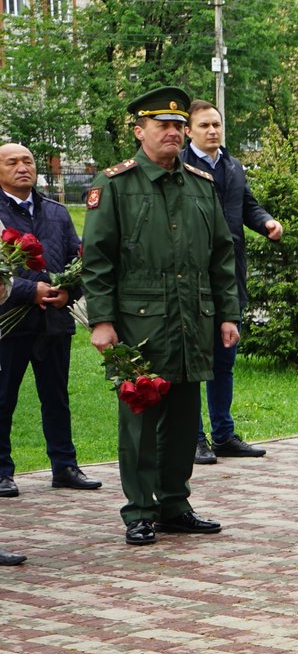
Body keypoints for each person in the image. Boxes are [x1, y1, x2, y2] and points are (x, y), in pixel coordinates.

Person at [84, 86, 241, 547]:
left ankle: (175, 504)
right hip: (139, 321)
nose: (172, 132)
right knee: (140, 418)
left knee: (182, 416)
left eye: (177, 125)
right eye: (162, 125)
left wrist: (227, 313)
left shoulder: (200, 183)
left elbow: (221, 255)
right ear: (139, 131)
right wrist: (101, 320)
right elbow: (98, 259)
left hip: (192, 318)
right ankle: (139, 510)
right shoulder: (114, 184)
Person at [183, 101, 281, 464]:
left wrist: (267, 222)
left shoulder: (233, 166)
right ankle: (194, 438)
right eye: (205, 125)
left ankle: (224, 435)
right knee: (193, 362)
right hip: (192, 280)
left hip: (230, 278)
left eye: (217, 125)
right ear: (189, 131)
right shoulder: (178, 166)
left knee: (225, 359)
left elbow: (248, 206)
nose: (212, 131)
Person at [0, 142, 98, 497]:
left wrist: (68, 292)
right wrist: (32, 291)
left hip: (54, 322)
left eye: (27, 161)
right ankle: (2, 470)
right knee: (3, 397)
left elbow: (81, 259)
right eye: (12, 162)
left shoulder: (56, 212)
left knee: (56, 396)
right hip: (9, 322)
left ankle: (64, 465)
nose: (22, 167)